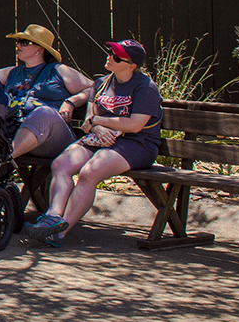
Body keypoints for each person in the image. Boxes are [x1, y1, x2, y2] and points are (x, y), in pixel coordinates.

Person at [22, 40, 163, 248]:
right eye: (110, 53)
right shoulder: (101, 83)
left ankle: (58, 233)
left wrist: (98, 122)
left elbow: (134, 125)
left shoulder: (145, 87)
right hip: (100, 138)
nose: (109, 57)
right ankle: (52, 218)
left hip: (136, 144)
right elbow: (89, 120)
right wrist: (96, 127)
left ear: (130, 65)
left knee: (89, 172)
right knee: (61, 164)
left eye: (116, 57)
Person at [0, 24, 91, 164]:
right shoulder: (13, 72)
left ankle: (3, 161)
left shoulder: (58, 70)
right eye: (18, 42)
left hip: (52, 138)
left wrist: (71, 102)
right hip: (14, 131)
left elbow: (97, 89)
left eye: (24, 42)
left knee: (43, 113)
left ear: (39, 49)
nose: (18, 45)